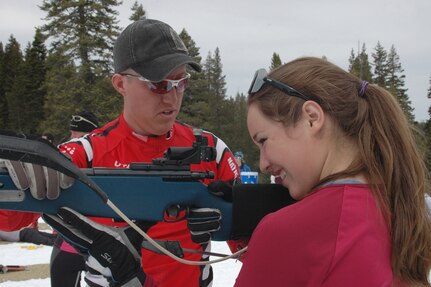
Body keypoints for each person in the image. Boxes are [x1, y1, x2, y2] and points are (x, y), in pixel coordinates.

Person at [45, 56, 431, 286]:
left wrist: (127, 276)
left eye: (264, 140)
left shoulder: (291, 230)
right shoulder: (406, 205)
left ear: (312, 118)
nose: (262, 164)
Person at [2, 19, 239, 287]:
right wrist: (19, 169)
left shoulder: (211, 150)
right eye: (158, 84)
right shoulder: (84, 154)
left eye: (180, 82)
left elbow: (252, 243)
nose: (172, 98)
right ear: (120, 84)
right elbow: (11, 220)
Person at [49, 110, 100, 287]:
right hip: (68, 236)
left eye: (78, 133)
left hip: (96, 238)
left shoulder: (99, 154)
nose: (72, 137)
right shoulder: (68, 152)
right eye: (72, 133)